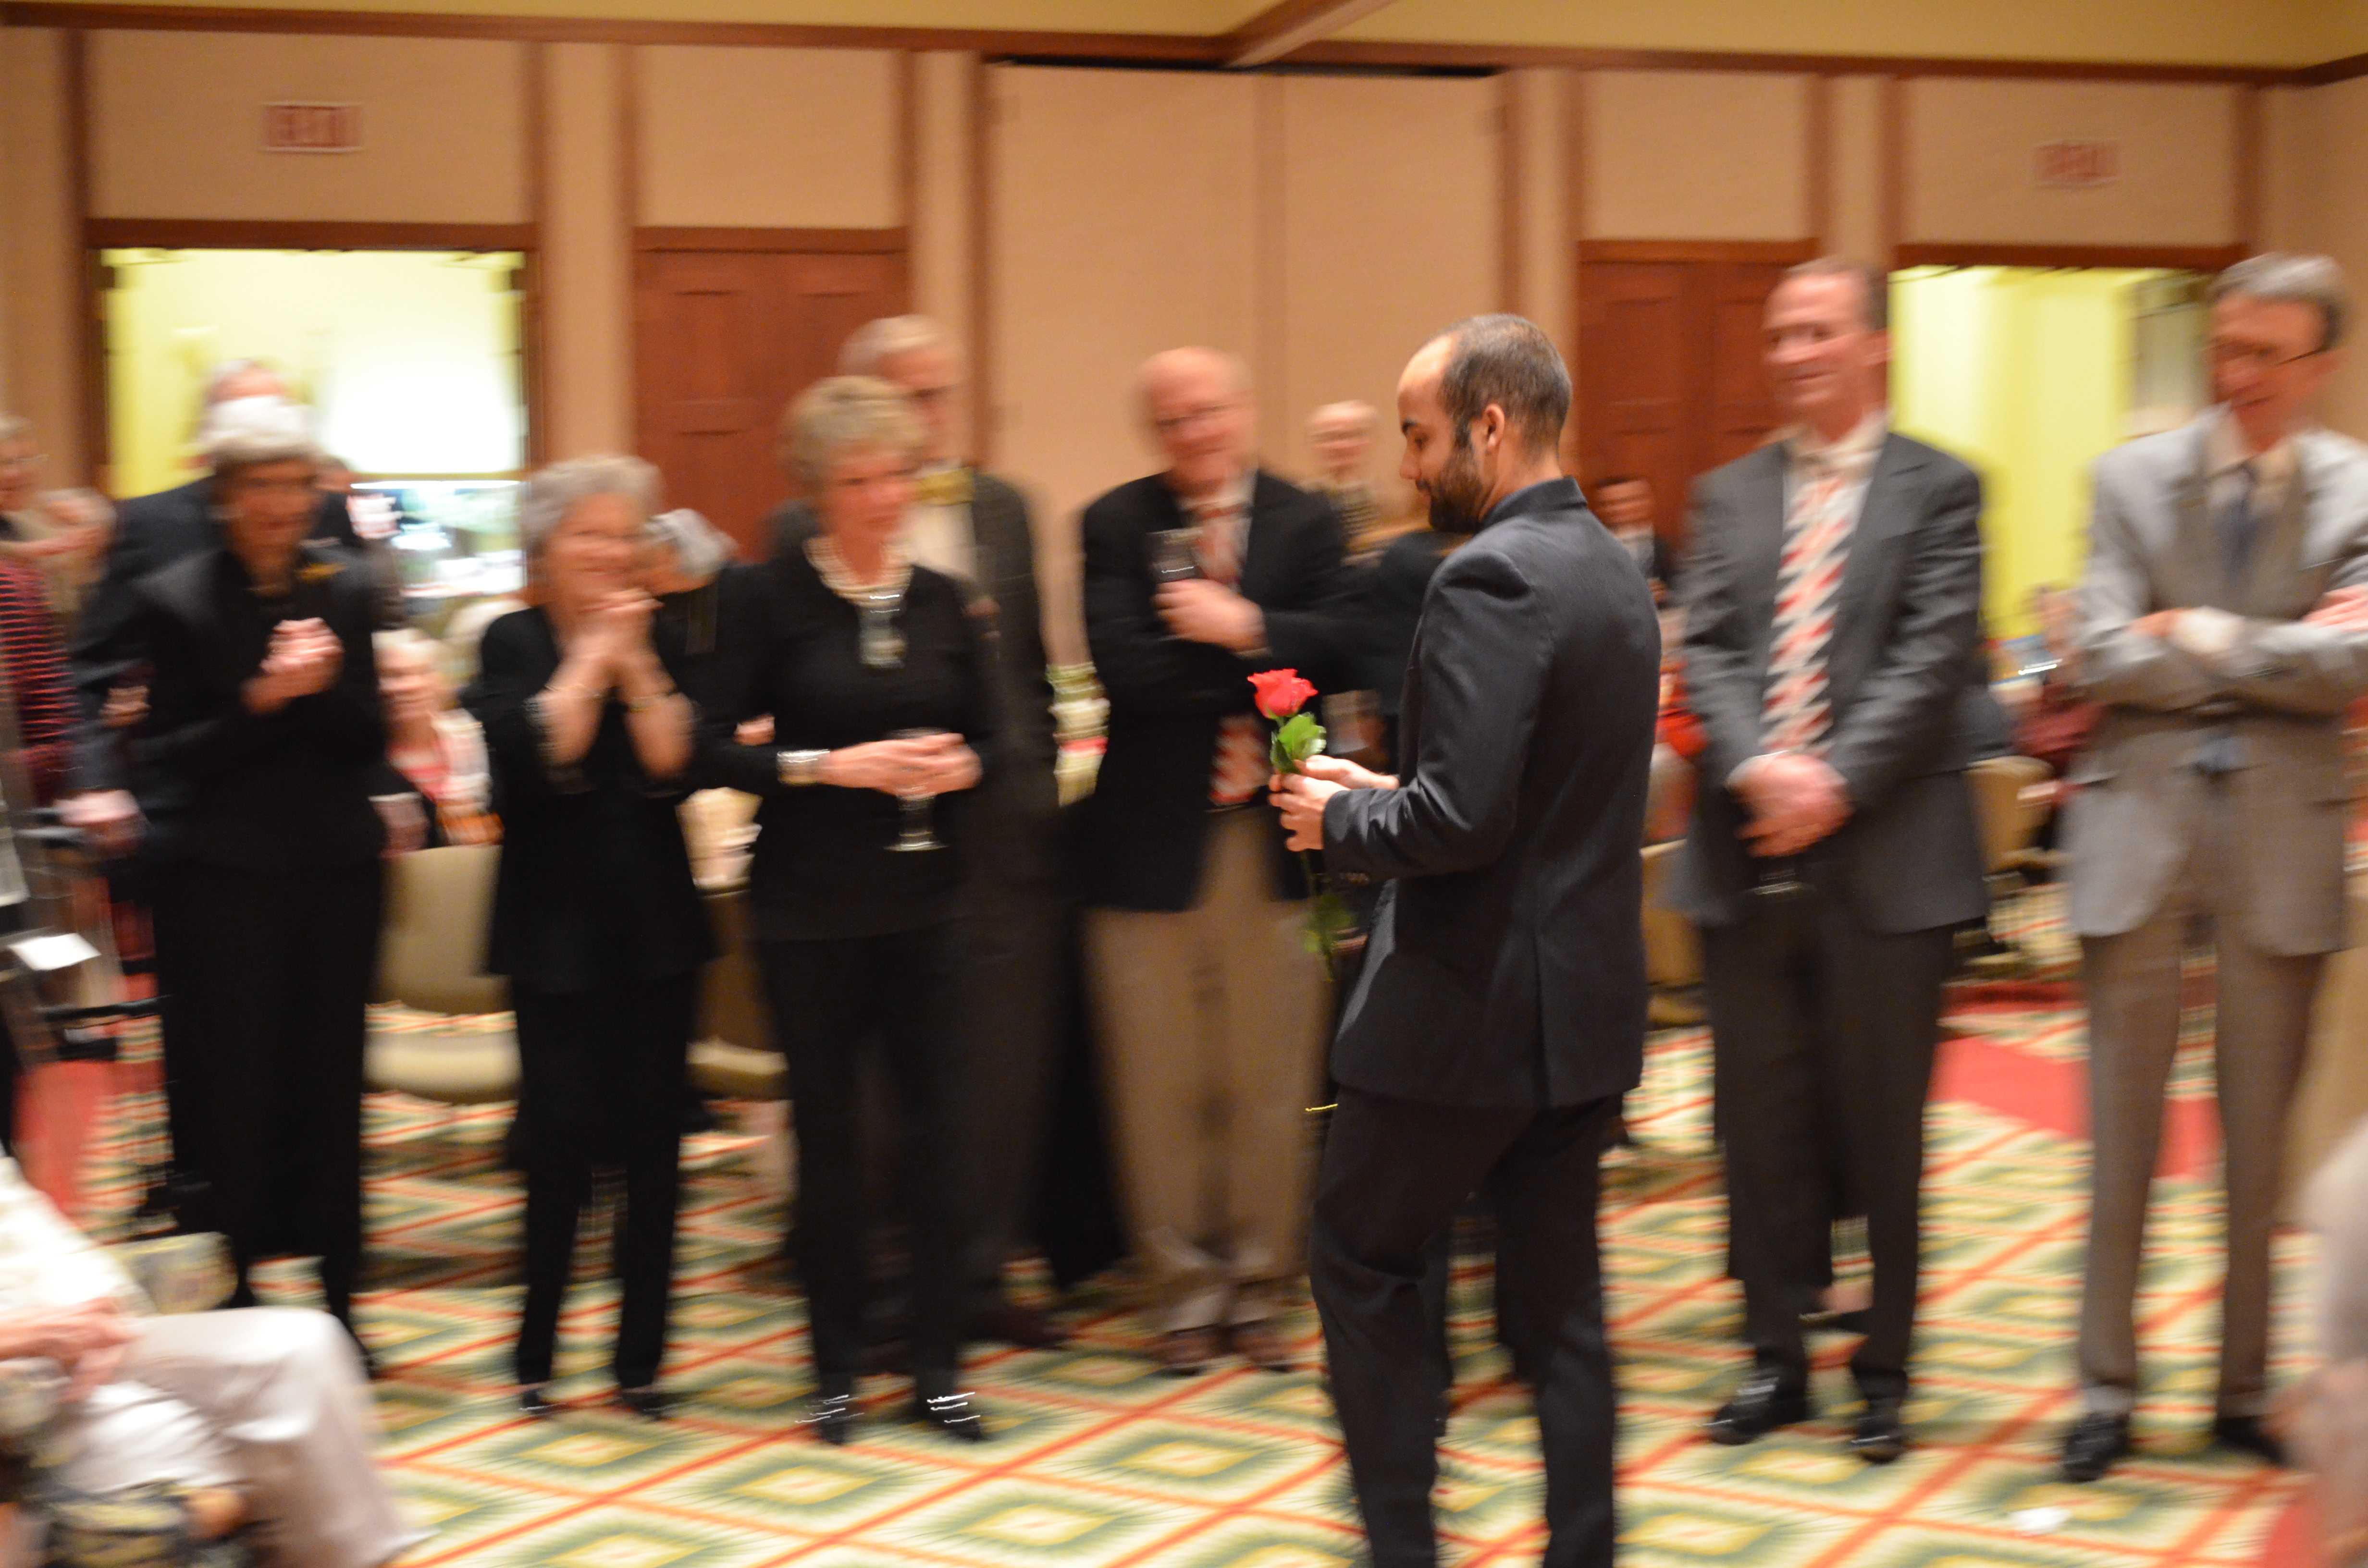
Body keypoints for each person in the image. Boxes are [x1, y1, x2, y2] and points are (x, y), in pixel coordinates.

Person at [1272, 315, 1658, 1568]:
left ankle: (1402, 1549)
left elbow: (1462, 823)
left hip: (1467, 1014)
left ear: (1490, 428)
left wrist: (1339, 819)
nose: (1406, 466)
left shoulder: (1488, 575)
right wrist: (1384, 785)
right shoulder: (1611, 565)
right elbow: (1529, 796)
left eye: (1418, 436)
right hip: (1579, 1014)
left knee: (1360, 1259)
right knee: (1560, 1321)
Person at [2058, 252, 2368, 1482]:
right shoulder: (2129, 478)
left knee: (2257, 1144)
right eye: (2226, 348)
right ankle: (2104, 1388)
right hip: (2138, 831)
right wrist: (2273, 652)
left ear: (2321, 363)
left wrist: (2190, 630)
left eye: (2268, 354)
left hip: (2282, 846)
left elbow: (2353, 669)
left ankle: (2242, 1387)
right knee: (2119, 1137)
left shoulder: (2357, 491)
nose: (2239, 374)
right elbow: (2095, 652)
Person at [1673, 256, 1987, 1463]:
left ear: (1873, 345)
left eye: (1817, 331)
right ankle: (1775, 1360)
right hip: (1747, 855)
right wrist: (1763, 769)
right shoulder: (1728, 493)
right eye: (1779, 335)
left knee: (1884, 1131)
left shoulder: (1941, 488)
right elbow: (1706, 648)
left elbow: (1932, 655)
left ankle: (1885, 1373)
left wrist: (1834, 783)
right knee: (1756, 1127)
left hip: (1890, 861)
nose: (1793, 353)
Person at [60, 409, 393, 1356]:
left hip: (333, 874)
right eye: (260, 487)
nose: (281, 505)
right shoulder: (177, 598)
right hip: (220, 880)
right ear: (224, 497)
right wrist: (262, 699)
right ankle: (233, 1296)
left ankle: (341, 1303)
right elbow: (169, 756)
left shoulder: (347, 586)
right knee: (227, 1091)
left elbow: (369, 739)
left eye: (295, 485)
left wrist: (323, 692)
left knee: (331, 1087)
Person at [768, 315, 1071, 1350]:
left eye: (941, 394)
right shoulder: (794, 532)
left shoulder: (1003, 508)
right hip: (863, 850)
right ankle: (873, 1287)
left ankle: (973, 1276)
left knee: (995, 1072)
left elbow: (1028, 674)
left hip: (999, 833)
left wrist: (1024, 786)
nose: (930, 416)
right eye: (908, 396)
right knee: (872, 1087)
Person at [705, 377, 997, 1444]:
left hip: (928, 909)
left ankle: (937, 1369)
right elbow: (708, 747)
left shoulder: (943, 599)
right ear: (817, 492)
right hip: (807, 913)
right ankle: (833, 1370)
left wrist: (965, 765)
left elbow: (1001, 738)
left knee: (939, 1141)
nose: (884, 497)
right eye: (858, 480)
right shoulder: (765, 596)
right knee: (827, 1147)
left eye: (898, 475)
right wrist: (827, 765)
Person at [1074, 346, 1354, 1375]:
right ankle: (1183, 1293)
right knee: (1157, 1083)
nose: (1193, 432)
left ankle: (1259, 1283)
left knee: (1271, 1079)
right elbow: (1128, 672)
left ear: (1243, 410)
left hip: (1272, 842)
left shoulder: (1306, 520)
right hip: (1151, 845)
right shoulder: (1115, 522)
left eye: (1207, 412)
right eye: (1171, 419)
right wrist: (1268, 663)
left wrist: (1242, 626)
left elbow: (1342, 649)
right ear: (1153, 432)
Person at [463, 456, 713, 1421]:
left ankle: (640, 1362)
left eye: (625, 535)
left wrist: (636, 660)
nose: (612, 552)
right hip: (551, 927)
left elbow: (673, 761)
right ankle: (536, 1355)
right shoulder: (510, 640)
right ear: (546, 549)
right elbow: (545, 751)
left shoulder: (670, 636)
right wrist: (593, 658)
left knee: (655, 1149)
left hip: (656, 924)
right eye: (589, 535)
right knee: (558, 1142)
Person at [0, 1156, 420, 1568]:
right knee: (283, 1455)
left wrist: (97, 1309)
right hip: (18, 1384)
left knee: (304, 1346)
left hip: (68, 1348)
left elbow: (24, 1225)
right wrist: (21, 1335)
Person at [372, 628, 493, 847]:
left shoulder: (468, 739)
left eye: (423, 672)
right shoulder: (368, 757)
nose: (411, 685)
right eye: (394, 675)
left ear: (442, 682)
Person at [0, 416, 113, 625]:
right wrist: (28, 552)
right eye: (6, 463)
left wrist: (91, 554)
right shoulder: (38, 543)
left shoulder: (32, 529)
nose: (17, 473)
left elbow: (69, 619)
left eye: (27, 461)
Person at [1310, 400, 1393, 562]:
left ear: (1367, 441)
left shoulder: (1383, 502)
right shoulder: (1305, 502)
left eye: (1346, 436)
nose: (1338, 446)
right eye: (1328, 438)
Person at [1591, 474, 1677, 600]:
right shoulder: (1591, 551)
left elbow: (1686, 587)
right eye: (1611, 503)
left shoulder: (1666, 547)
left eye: (1629, 500)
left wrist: (1665, 594)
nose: (1621, 509)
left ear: (1648, 501)